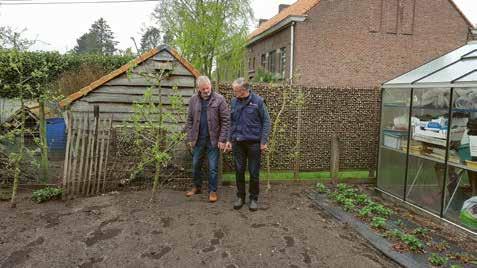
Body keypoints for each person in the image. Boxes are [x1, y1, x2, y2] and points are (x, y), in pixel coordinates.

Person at [225, 78, 271, 211]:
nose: (234, 92)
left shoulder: (258, 102)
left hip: (254, 144)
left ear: (243, 90)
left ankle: (253, 198)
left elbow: (266, 122)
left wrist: (263, 141)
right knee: (239, 171)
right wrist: (229, 140)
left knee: (253, 172)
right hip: (238, 143)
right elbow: (231, 123)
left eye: (235, 90)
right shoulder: (233, 102)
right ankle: (240, 197)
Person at [185, 76, 230, 202]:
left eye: (208, 87)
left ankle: (213, 191)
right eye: (203, 89)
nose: (206, 90)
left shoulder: (219, 99)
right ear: (198, 89)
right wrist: (190, 136)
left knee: (213, 167)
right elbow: (189, 120)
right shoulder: (193, 100)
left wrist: (222, 139)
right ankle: (197, 187)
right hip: (198, 140)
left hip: (213, 141)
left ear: (211, 85)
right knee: (195, 165)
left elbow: (226, 120)